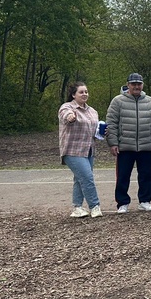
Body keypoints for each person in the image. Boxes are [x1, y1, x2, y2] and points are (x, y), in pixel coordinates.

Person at [106, 73, 151, 213]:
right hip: (125, 145)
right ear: (128, 85)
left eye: (139, 84)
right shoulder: (117, 101)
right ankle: (122, 203)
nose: (136, 86)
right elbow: (111, 123)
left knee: (146, 175)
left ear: (142, 85)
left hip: (145, 144)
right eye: (133, 84)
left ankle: (145, 201)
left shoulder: (150, 101)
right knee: (123, 176)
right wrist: (113, 143)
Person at [58, 82, 103, 219]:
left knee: (80, 179)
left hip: (88, 150)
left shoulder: (92, 111)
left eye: (86, 92)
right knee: (87, 178)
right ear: (73, 95)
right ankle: (95, 206)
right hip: (72, 151)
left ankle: (77, 208)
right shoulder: (67, 107)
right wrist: (70, 117)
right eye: (81, 92)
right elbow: (65, 115)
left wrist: (101, 132)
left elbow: (93, 131)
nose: (85, 94)